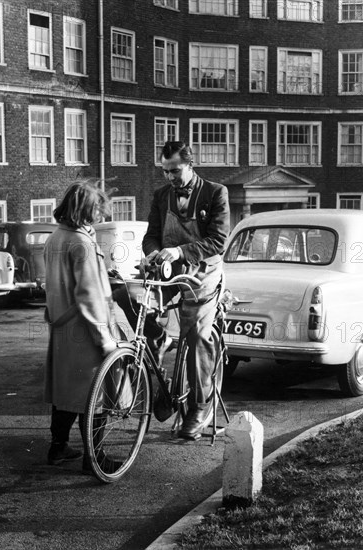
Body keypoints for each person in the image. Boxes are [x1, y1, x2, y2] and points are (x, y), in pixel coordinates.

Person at [114, 141, 230, 439]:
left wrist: (179, 251)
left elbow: (218, 241)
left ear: (190, 165)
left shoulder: (215, 193)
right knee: (126, 294)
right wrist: (153, 252)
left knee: (196, 339)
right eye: (165, 172)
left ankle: (198, 409)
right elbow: (151, 236)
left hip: (202, 276)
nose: (170, 178)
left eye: (175, 171)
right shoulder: (161, 194)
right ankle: (158, 337)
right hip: (166, 271)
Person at [43, 180, 118, 470]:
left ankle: (58, 447)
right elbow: (89, 294)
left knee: (65, 394)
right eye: (98, 210)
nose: (100, 217)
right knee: (95, 395)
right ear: (86, 210)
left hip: (62, 326)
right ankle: (95, 458)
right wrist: (104, 338)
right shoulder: (82, 243)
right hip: (84, 329)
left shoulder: (56, 238)